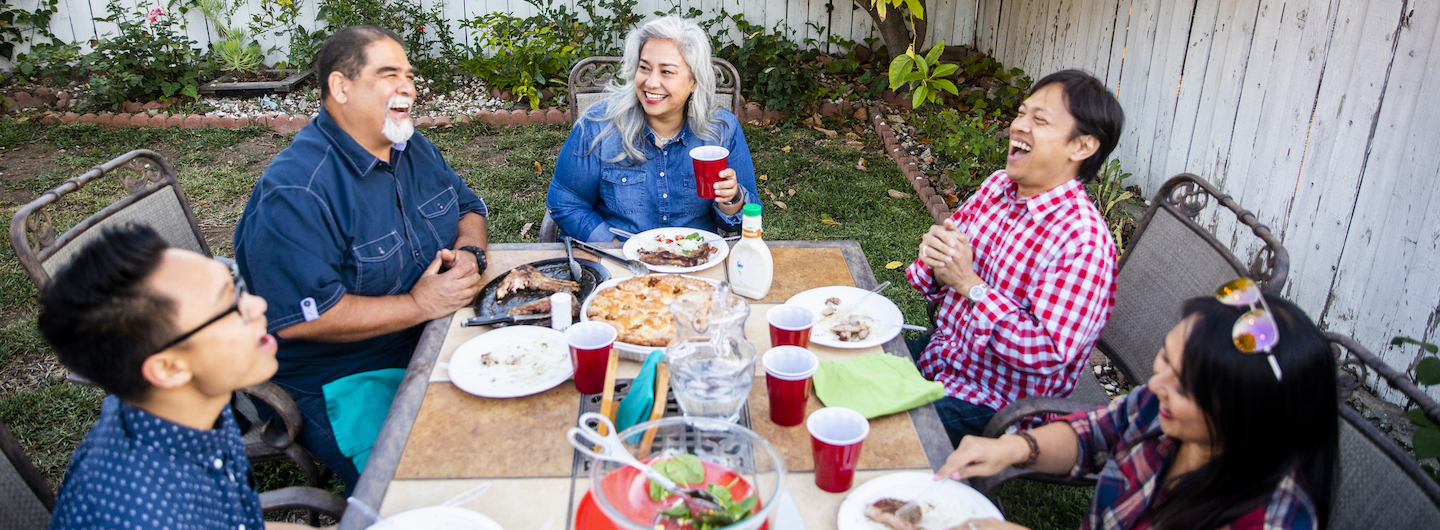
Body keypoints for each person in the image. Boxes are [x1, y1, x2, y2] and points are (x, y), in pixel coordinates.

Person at [232, 25, 487, 491]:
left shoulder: (410, 147)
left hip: (433, 335)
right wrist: (419, 305)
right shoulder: (296, 191)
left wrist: (470, 252)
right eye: (389, 74)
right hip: (343, 375)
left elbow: (468, 208)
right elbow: (301, 318)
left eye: (409, 75)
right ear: (341, 86)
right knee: (427, 489)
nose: (408, 86)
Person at [942, 282, 1338, 530]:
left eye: (1182, 386)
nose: (1156, 384)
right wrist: (1012, 448)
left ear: (1245, 419)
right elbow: (1095, 433)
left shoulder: (1268, 520)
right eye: (1165, 358)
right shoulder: (1160, 409)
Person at [39, 224, 314, 529]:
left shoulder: (187, 405)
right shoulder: (144, 516)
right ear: (168, 369)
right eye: (230, 304)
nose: (258, 304)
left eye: (234, 281)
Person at [906, 69, 1123, 445]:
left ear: (1082, 146)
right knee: (835, 367)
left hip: (998, 404)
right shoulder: (999, 187)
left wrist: (970, 285)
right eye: (1021, 113)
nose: (1019, 126)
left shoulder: (1082, 244)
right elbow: (937, 274)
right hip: (943, 356)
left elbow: (1046, 354)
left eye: (1039, 119)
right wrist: (938, 263)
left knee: (876, 431)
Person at [546, 15, 760, 242]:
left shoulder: (722, 130)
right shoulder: (598, 126)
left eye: (666, 71)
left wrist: (732, 199)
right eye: (644, 68)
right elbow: (565, 201)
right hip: (618, 264)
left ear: (694, 81)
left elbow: (749, 216)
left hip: (695, 261)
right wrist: (614, 247)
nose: (650, 82)